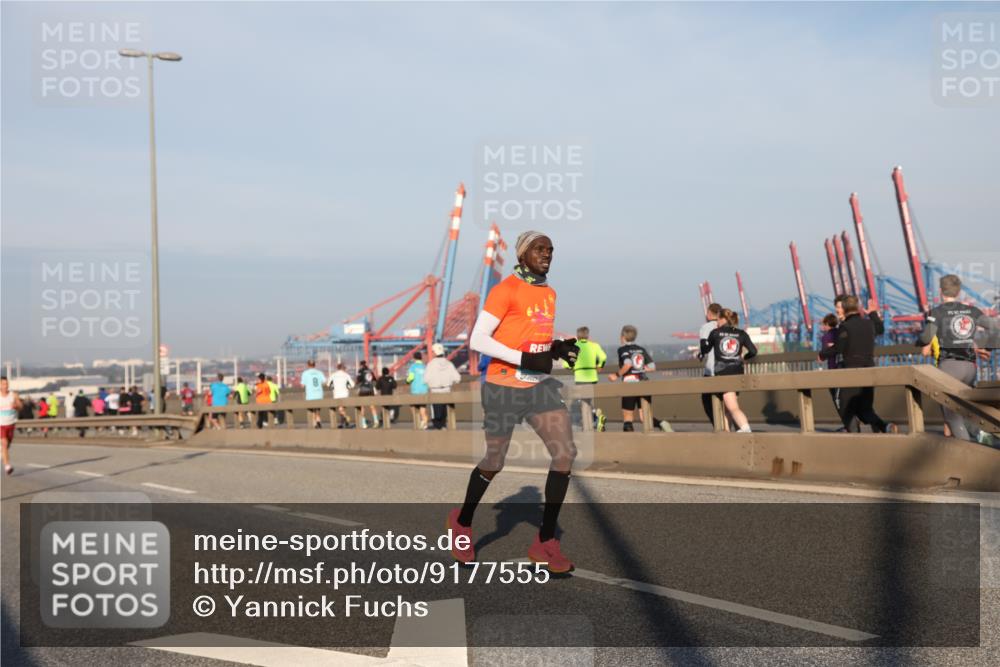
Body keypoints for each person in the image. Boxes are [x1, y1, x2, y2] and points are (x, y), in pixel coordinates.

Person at [448, 230, 579, 573]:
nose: (547, 254)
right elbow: (478, 339)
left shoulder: (549, 293)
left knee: (565, 454)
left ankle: (545, 542)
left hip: (538, 386)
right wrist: (524, 359)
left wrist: (557, 347)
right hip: (503, 385)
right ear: (523, 255)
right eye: (539, 249)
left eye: (550, 249)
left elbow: (532, 335)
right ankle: (462, 522)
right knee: (494, 461)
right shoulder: (505, 289)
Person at [917, 274, 998, 443]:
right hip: (970, 367)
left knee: (952, 416)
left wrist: (919, 342)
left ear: (940, 291)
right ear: (959, 292)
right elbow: (996, 326)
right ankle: (982, 437)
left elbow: (926, 338)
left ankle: (971, 452)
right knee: (967, 410)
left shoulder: (937, 312)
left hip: (949, 366)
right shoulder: (972, 311)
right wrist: (987, 347)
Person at [819, 296, 897, 434]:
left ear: (845, 309)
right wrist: (873, 313)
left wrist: (823, 354)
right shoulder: (868, 324)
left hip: (850, 371)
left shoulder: (845, 326)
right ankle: (885, 427)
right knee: (865, 408)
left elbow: (839, 348)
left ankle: (853, 432)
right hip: (868, 368)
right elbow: (880, 329)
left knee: (842, 403)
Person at [701, 309, 758, 432]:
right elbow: (753, 351)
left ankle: (746, 429)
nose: (716, 323)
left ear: (722, 319)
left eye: (718, 320)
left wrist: (703, 342)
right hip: (738, 372)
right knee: (727, 407)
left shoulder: (715, 333)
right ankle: (726, 434)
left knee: (732, 407)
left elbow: (705, 350)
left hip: (723, 373)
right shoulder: (741, 333)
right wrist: (744, 358)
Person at [608, 325, 671, 432]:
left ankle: (630, 440)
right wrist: (642, 369)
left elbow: (627, 364)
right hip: (643, 382)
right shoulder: (641, 349)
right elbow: (652, 367)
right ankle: (661, 423)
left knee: (628, 418)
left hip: (630, 384)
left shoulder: (622, 349)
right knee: (644, 417)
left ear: (623, 337)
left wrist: (616, 375)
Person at [565, 326, 607, 431]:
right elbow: (603, 357)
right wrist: (600, 366)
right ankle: (592, 422)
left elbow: (566, 364)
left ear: (577, 335)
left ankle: (587, 427)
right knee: (588, 401)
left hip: (580, 376)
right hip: (592, 376)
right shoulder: (594, 346)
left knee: (584, 403)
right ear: (587, 335)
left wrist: (572, 367)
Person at [425, 343, 462, 429]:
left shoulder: (431, 364)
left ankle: (438, 426)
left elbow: (425, 379)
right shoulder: (449, 364)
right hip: (447, 390)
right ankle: (444, 425)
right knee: (445, 409)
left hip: (435, 391)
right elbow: (457, 378)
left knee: (436, 410)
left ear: (434, 352)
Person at [698, 303, 723, 429]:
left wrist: (701, 354)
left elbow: (704, 348)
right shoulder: (725, 326)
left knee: (707, 401)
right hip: (728, 370)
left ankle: (718, 427)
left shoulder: (706, 327)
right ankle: (728, 426)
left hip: (712, 370)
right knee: (726, 401)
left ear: (709, 314)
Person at [819, 313, 844, 429]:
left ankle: (848, 424)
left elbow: (824, 355)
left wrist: (821, 355)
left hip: (833, 370)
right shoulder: (841, 333)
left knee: (837, 400)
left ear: (827, 324)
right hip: (844, 368)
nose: (821, 326)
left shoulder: (826, 337)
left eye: (822, 324)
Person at [1, 376, 23, 475]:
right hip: (1, 425)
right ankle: (7, 466)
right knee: (4, 444)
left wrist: (16, 406)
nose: (5, 386)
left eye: (7, 384)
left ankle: (2, 452)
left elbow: (20, 406)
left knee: (7, 445)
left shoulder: (13, 395)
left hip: (11, 423)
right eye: (3, 384)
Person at [405, 352, 429, 429]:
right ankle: (424, 424)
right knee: (423, 409)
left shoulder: (413, 367)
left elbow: (411, 377)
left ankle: (418, 423)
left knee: (413, 407)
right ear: (421, 357)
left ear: (414, 358)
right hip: (424, 390)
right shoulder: (425, 367)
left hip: (415, 390)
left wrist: (407, 381)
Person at [301, 360, 327, 429]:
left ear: (308, 365)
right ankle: (318, 420)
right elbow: (324, 382)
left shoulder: (305, 373)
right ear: (314, 365)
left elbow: (302, 385)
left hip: (310, 395)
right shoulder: (319, 372)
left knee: (312, 410)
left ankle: (315, 423)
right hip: (319, 394)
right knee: (317, 409)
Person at [329, 363, 355, 428]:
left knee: (340, 409)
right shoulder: (346, 375)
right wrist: (348, 386)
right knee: (342, 409)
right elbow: (352, 385)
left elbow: (328, 384)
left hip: (336, 395)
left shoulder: (333, 375)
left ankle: (345, 421)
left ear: (337, 368)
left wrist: (333, 387)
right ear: (343, 368)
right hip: (345, 394)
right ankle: (344, 423)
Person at [355, 360, 379, 428]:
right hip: (370, 389)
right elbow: (375, 379)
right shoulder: (370, 370)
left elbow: (358, 380)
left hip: (363, 390)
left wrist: (357, 383)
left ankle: (364, 424)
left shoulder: (360, 371)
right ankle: (376, 421)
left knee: (362, 407)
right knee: (372, 406)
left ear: (361, 365)